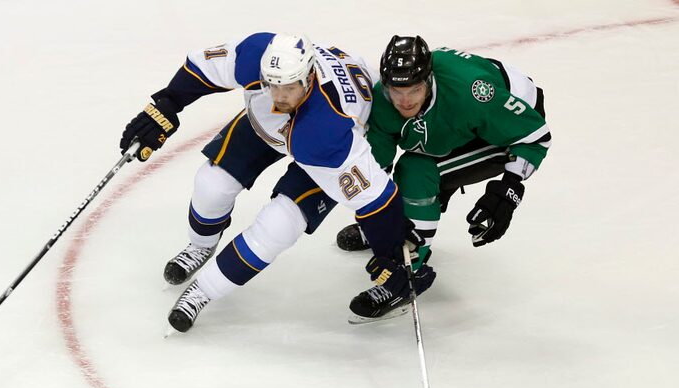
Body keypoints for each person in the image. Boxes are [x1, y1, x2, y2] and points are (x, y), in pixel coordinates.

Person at [118, 33, 424, 332]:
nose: (279, 97)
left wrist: (390, 252)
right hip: (270, 126)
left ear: (308, 77)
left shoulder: (329, 132)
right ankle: (201, 246)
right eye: (272, 85)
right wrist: (167, 104)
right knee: (211, 184)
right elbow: (204, 68)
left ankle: (203, 291)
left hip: (317, 138)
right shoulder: (258, 55)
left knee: (280, 224)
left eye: (289, 87)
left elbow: (375, 199)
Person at [336, 35, 551, 277]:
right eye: (397, 91)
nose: (405, 101)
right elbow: (378, 163)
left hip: (507, 127)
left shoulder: (472, 94)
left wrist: (508, 191)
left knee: (416, 171)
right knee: (399, 177)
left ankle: (408, 269)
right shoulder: (384, 101)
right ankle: (392, 232)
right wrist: (382, 219)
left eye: (415, 90)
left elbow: (535, 137)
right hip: (459, 122)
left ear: (428, 80)